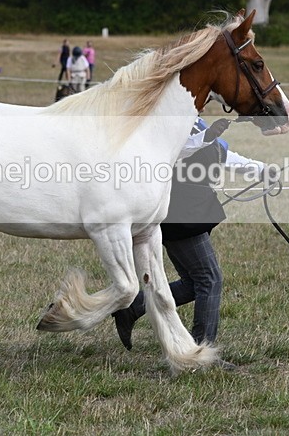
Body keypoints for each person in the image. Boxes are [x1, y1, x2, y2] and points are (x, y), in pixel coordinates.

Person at [112, 117, 271, 368]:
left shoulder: (196, 121)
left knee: (193, 282)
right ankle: (200, 354)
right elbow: (176, 152)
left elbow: (221, 153)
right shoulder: (166, 120)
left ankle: (133, 307)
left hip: (191, 209)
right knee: (210, 278)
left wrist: (261, 169)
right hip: (179, 212)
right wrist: (206, 137)